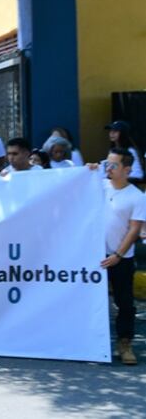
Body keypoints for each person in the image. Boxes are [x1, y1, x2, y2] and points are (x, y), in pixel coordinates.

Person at [99, 149, 146, 365]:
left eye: (114, 165)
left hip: (121, 259)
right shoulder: (99, 185)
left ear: (127, 170)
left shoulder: (137, 196)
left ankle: (124, 343)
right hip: (94, 257)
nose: (108, 168)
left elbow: (134, 229)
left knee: (124, 303)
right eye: (106, 164)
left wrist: (118, 254)